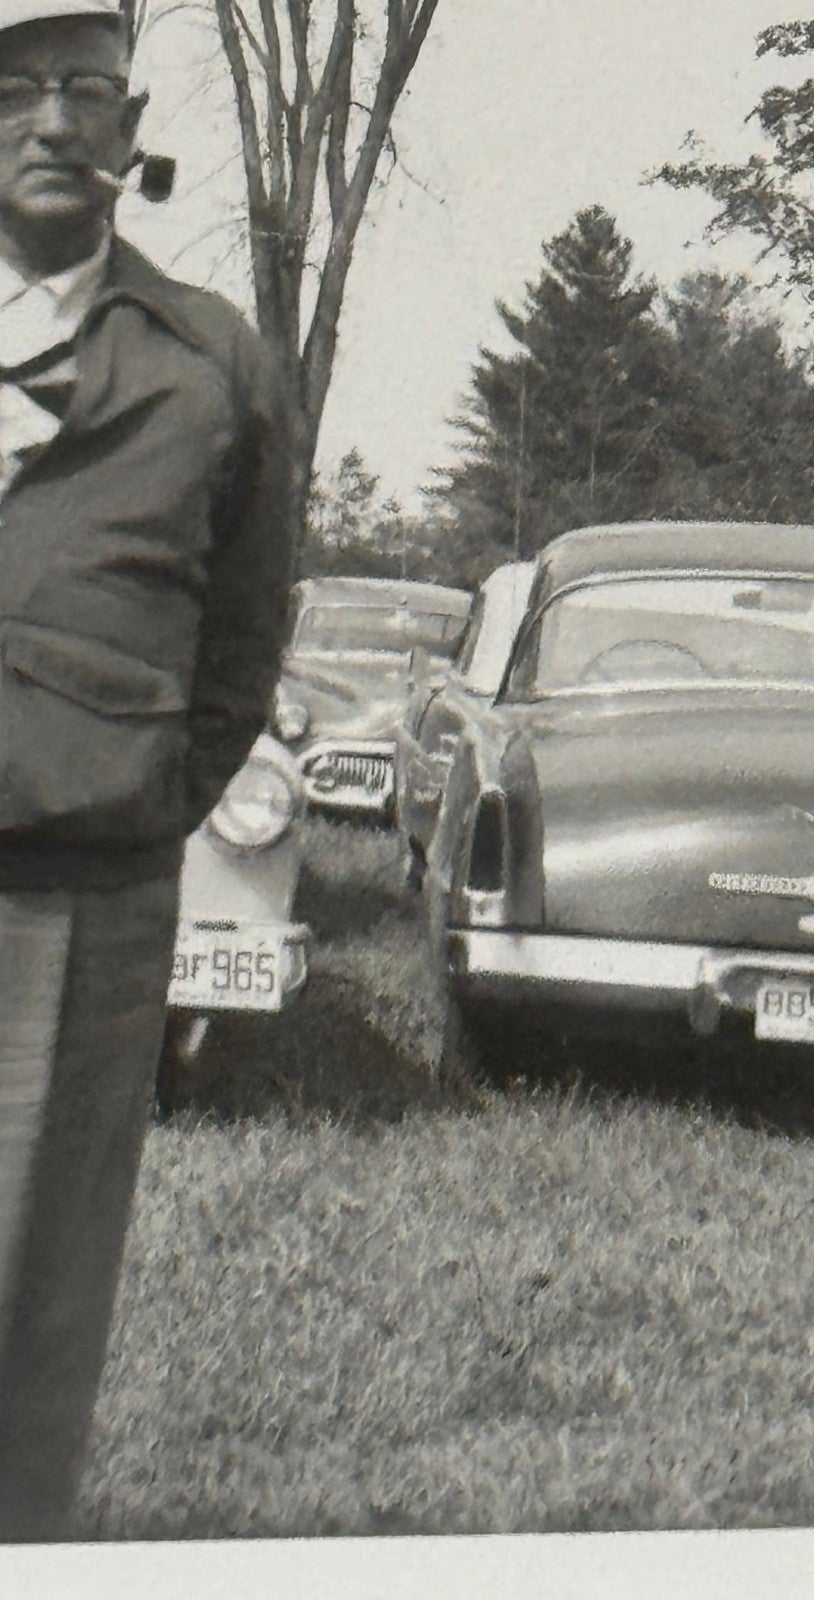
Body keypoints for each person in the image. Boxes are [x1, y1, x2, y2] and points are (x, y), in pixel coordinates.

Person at [0, 0, 291, 1540]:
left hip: (81, 900)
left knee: (35, 1308)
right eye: (13, 87)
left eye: (84, 90)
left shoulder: (208, 363)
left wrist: (138, 803)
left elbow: (244, 636)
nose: (51, 121)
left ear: (131, 125)